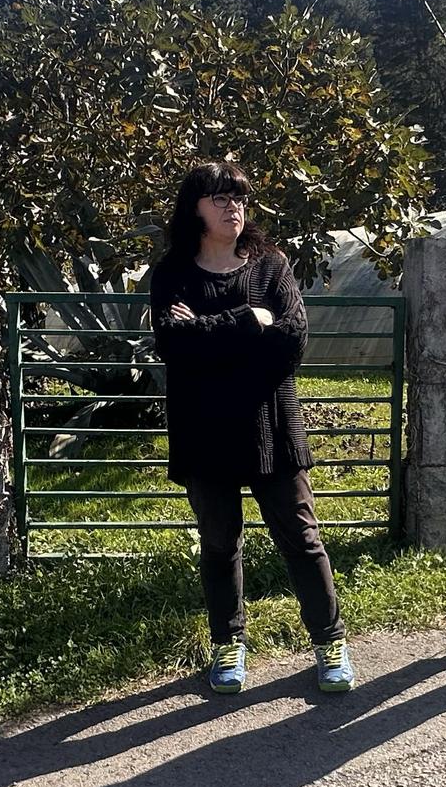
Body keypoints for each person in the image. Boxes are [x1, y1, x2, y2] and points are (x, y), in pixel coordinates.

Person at [151, 161, 354, 696]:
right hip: (204, 433)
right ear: (193, 208)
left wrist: (207, 331)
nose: (233, 207)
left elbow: (291, 345)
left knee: (303, 540)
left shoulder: (272, 266)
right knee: (220, 543)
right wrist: (249, 321)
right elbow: (174, 348)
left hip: (272, 427)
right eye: (219, 198)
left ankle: (330, 642)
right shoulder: (173, 272)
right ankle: (228, 643)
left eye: (239, 197)